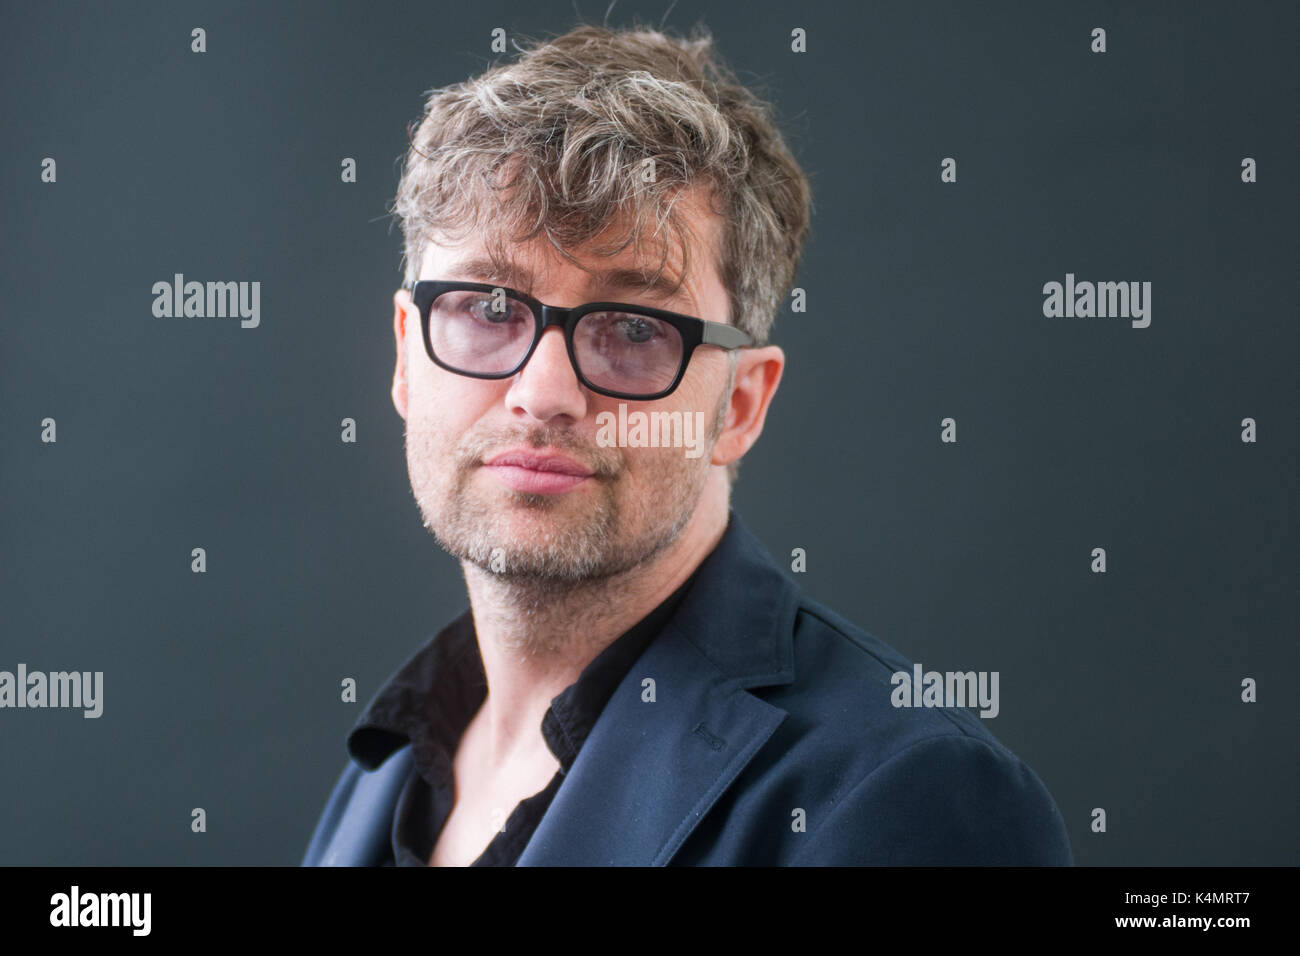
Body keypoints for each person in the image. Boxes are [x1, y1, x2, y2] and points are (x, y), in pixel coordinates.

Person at [302, 22, 1072, 866]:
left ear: (740, 403)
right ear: (406, 353)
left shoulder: (906, 797)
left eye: (634, 327)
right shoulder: (387, 774)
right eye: (489, 309)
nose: (543, 395)